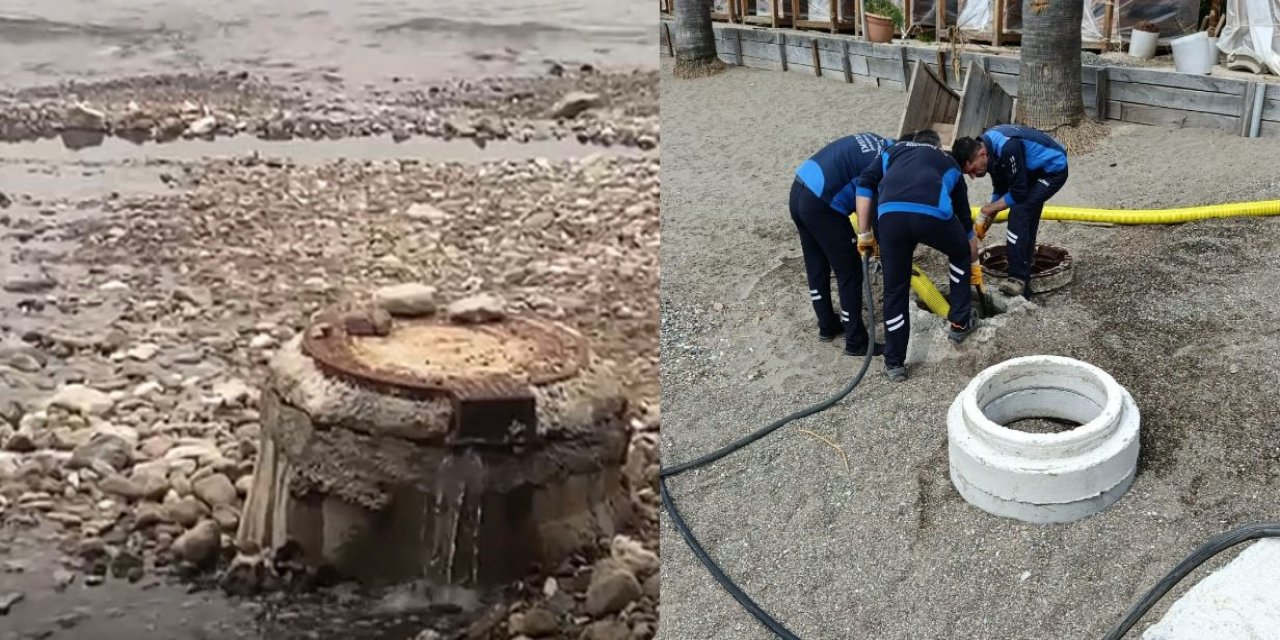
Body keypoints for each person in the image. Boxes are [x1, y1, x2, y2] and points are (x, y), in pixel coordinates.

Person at [853, 129, 979, 382]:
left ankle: (894, 363)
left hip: (891, 217)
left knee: (895, 289)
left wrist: (864, 233)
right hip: (933, 215)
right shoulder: (948, 161)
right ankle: (959, 323)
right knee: (960, 253)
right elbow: (965, 223)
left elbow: (865, 182)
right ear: (937, 145)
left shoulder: (892, 151)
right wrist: (972, 261)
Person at [789, 132, 896, 357]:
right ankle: (856, 341)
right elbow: (875, 213)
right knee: (850, 271)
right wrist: (885, 249)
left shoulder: (877, 142)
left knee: (816, 263)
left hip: (799, 188)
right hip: (822, 205)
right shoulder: (886, 167)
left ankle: (827, 325)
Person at [951, 124, 1069, 298]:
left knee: (1020, 211)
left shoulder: (1007, 147)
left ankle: (1017, 279)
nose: (973, 176)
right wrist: (986, 219)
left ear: (982, 154)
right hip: (1031, 172)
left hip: (1053, 170)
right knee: (1026, 215)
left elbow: (1018, 193)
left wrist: (987, 210)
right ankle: (1025, 277)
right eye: (969, 173)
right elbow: (1001, 188)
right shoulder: (988, 149)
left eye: (973, 170)